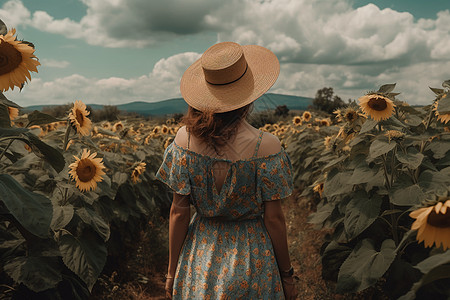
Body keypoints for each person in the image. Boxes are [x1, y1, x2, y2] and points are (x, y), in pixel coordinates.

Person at [155, 41, 298, 299]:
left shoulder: (183, 142)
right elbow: (274, 219)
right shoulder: (267, 146)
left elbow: (178, 212)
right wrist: (287, 275)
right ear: (248, 96)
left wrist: (171, 272)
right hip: (253, 258)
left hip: (201, 255)